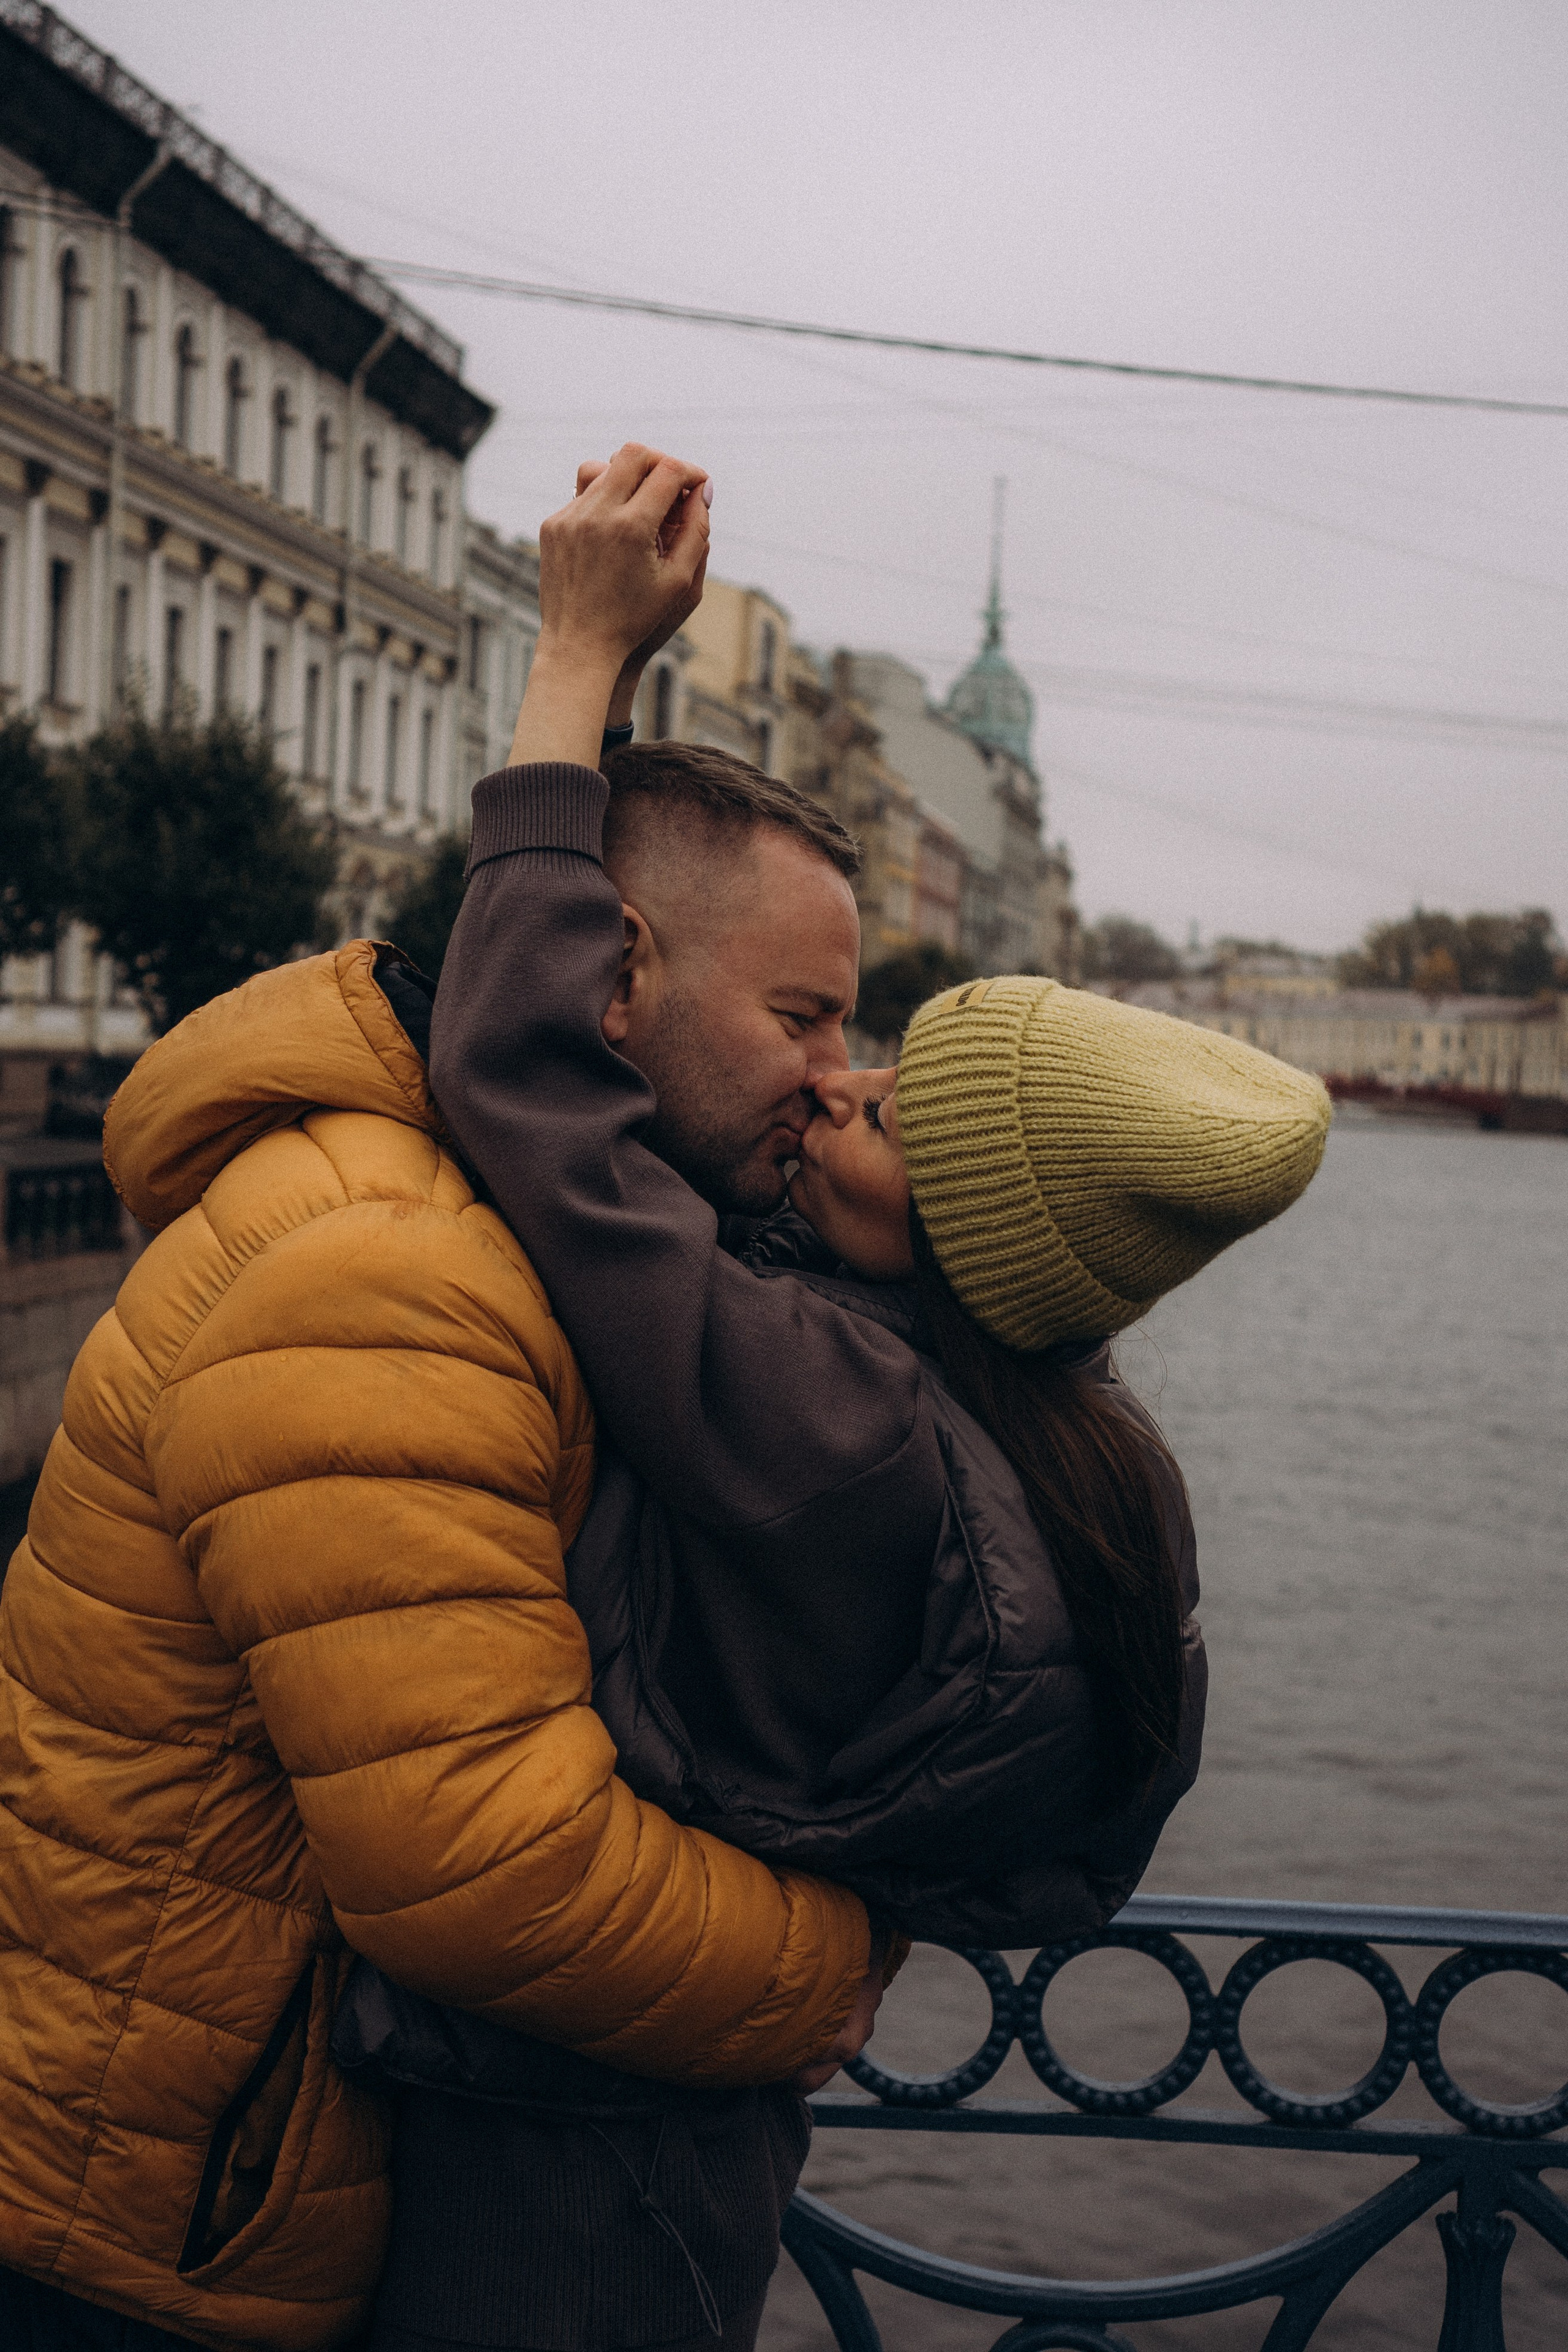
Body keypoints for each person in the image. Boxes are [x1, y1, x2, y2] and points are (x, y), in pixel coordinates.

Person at [345, 443, 1329, 2352]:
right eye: (824, 1041)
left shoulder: (834, 1420)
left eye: (880, 1105)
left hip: (558, 2147)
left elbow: (532, 1085)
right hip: (689, 2116)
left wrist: (570, 677)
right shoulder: (1029, 1428)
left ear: (961, 1232)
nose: (829, 1092)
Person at [0, 936, 885, 2351]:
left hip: (169, 2158)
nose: (836, 1073)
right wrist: (824, 1971)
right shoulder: (391, 1264)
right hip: (139, 2221)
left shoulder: (472, 1215)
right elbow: (481, 1865)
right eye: (801, 1016)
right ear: (617, 989)